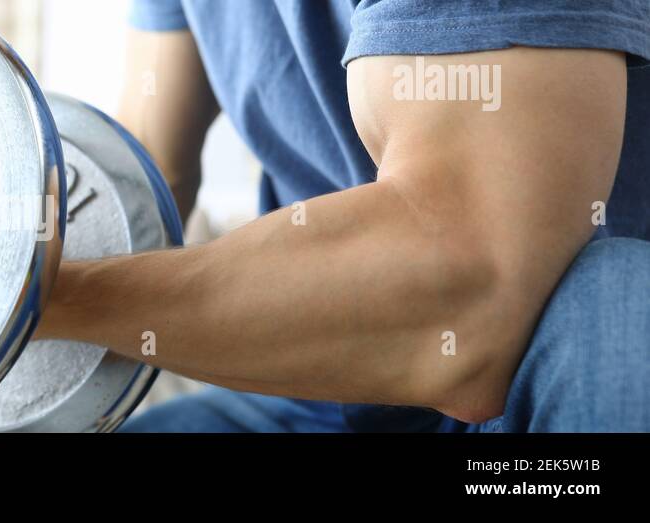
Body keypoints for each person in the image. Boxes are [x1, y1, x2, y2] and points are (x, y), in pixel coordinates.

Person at [32, 0, 650, 432]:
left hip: (528, 375)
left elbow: (463, 280)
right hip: (325, 394)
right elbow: (143, 177)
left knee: (623, 299)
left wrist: (31, 300)